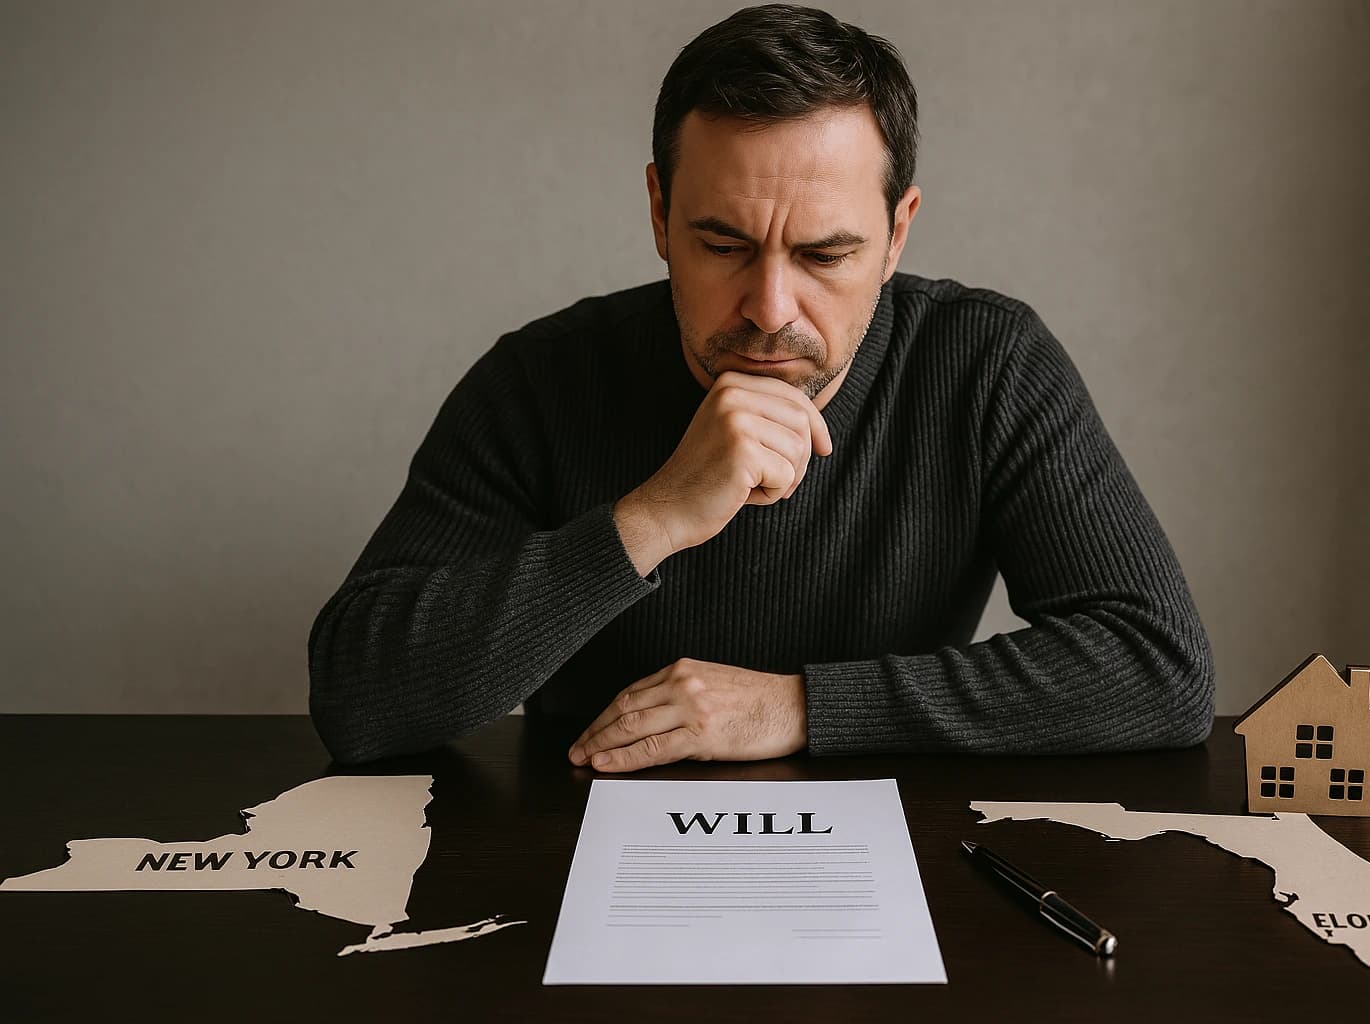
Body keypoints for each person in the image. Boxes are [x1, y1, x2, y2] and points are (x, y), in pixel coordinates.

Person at [307, 3, 1214, 769]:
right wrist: (655, 517)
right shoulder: (542, 379)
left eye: (826, 253)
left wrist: (797, 708)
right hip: (581, 858)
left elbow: (1161, 669)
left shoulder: (986, 363)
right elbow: (356, 697)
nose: (770, 308)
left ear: (898, 234)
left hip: (902, 862)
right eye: (724, 246)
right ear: (659, 212)